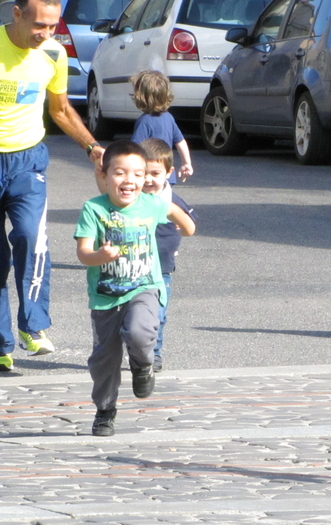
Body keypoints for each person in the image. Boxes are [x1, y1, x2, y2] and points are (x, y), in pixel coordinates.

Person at [0, 0, 105, 372]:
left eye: (52, 27)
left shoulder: (54, 54)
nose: (46, 34)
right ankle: (1, 344)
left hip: (27, 160)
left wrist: (92, 147)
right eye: (39, 26)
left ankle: (34, 326)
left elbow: (60, 110)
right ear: (17, 13)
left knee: (31, 238)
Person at [75, 140, 196, 437]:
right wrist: (99, 257)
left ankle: (143, 365)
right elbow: (83, 253)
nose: (129, 180)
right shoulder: (94, 209)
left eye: (137, 174)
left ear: (145, 178)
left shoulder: (152, 203)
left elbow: (181, 217)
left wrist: (187, 226)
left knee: (141, 331)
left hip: (145, 286)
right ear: (104, 175)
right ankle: (105, 410)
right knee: (105, 360)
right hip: (106, 297)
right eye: (120, 173)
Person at [139, 137, 197, 372]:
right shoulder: (131, 198)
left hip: (162, 269)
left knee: (158, 315)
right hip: (134, 267)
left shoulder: (173, 199)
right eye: (144, 173)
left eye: (155, 173)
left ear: (169, 172)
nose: (149, 179)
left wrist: (181, 227)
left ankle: (155, 353)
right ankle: (135, 345)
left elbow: (191, 222)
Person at [130, 70, 193, 185]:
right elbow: (181, 142)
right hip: (165, 175)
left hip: (149, 178)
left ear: (141, 97)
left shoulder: (144, 122)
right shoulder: (169, 117)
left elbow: (134, 150)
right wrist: (186, 163)